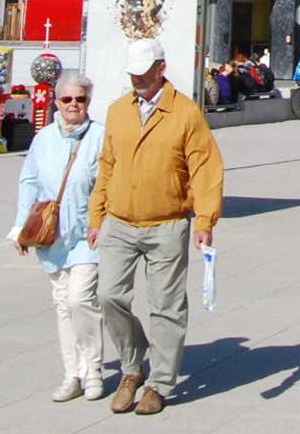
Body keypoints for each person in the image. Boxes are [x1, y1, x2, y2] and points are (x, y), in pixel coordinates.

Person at [86, 39, 225, 414]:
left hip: (166, 224)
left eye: (145, 74)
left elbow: (205, 168)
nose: (138, 81)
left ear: (161, 69)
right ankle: (132, 367)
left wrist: (204, 220)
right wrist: (96, 216)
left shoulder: (184, 113)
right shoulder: (118, 111)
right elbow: (107, 166)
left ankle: (159, 383)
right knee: (108, 296)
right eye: (133, 75)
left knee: (166, 306)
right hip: (119, 221)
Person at [13, 72, 109, 400]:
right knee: (62, 305)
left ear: (88, 103)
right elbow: (29, 181)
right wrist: (20, 228)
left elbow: (109, 183)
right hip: (51, 237)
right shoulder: (44, 138)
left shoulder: (99, 136)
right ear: (57, 101)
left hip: (86, 234)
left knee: (80, 299)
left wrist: (104, 223)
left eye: (79, 100)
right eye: (67, 99)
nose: (73, 105)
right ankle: (72, 374)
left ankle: (93, 369)